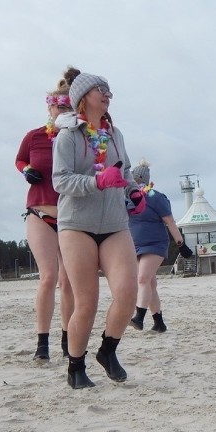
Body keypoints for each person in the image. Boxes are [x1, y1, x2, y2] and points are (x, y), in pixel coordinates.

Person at [52, 70, 146, 389]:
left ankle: (107, 350)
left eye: (109, 90)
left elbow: (127, 171)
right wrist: (97, 181)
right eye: (100, 89)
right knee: (87, 302)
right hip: (76, 226)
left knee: (128, 292)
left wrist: (133, 192)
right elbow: (60, 180)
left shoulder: (115, 134)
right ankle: (75, 366)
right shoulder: (68, 136)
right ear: (82, 97)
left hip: (114, 224)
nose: (107, 94)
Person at [15, 70, 76, 361]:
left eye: (67, 106)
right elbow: (20, 159)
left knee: (70, 280)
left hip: (71, 216)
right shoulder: (35, 136)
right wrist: (26, 170)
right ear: (49, 107)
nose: (61, 110)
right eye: (58, 105)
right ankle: (42, 343)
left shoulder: (78, 138)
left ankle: (67, 339)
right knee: (48, 277)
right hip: (40, 211)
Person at [128, 158, 193, 333]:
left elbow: (170, 222)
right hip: (134, 245)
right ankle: (159, 323)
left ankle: (139, 317)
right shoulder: (127, 197)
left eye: (136, 179)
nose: (135, 182)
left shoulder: (155, 197)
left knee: (142, 279)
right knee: (149, 284)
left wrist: (180, 244)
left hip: (155, 244)